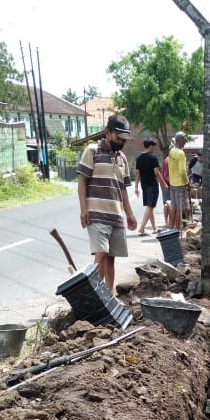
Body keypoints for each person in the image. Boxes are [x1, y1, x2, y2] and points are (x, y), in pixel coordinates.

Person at [77, 114, 136, 294]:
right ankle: (95, 293)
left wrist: (130, 214)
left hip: (116, 216)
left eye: (124, 139)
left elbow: (123, 189)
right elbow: (82, 181)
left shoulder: (123, 159)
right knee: (101, 253)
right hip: (97, 214)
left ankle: (109, 296)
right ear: (107, 133)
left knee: (111, 258)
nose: (121, 142)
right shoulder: (92, 151)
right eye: (118, 138)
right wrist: (83, 210)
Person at [134, 138, 168, 235]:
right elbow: (156, 172)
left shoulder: (139, 158)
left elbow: (137, 173)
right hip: (152, 185)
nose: (154, 148)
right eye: (153, 146)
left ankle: (154, 227)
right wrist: (163, 183)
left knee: (150, 206)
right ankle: (142, 228)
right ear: (150, 146)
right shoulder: (153, 157)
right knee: (150, 206)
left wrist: (136, 187)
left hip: (144, 185)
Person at [168, 131, 190, 232]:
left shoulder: (172, 151)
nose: (185, 143)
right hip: (180, 184)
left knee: (174, 207)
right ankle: (177, 230)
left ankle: (171, 228)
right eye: (184, 141)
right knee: (179, 209)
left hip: (172, 183)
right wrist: (187, 182)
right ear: (180, 141)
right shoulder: (180, 153)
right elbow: (182, 171)